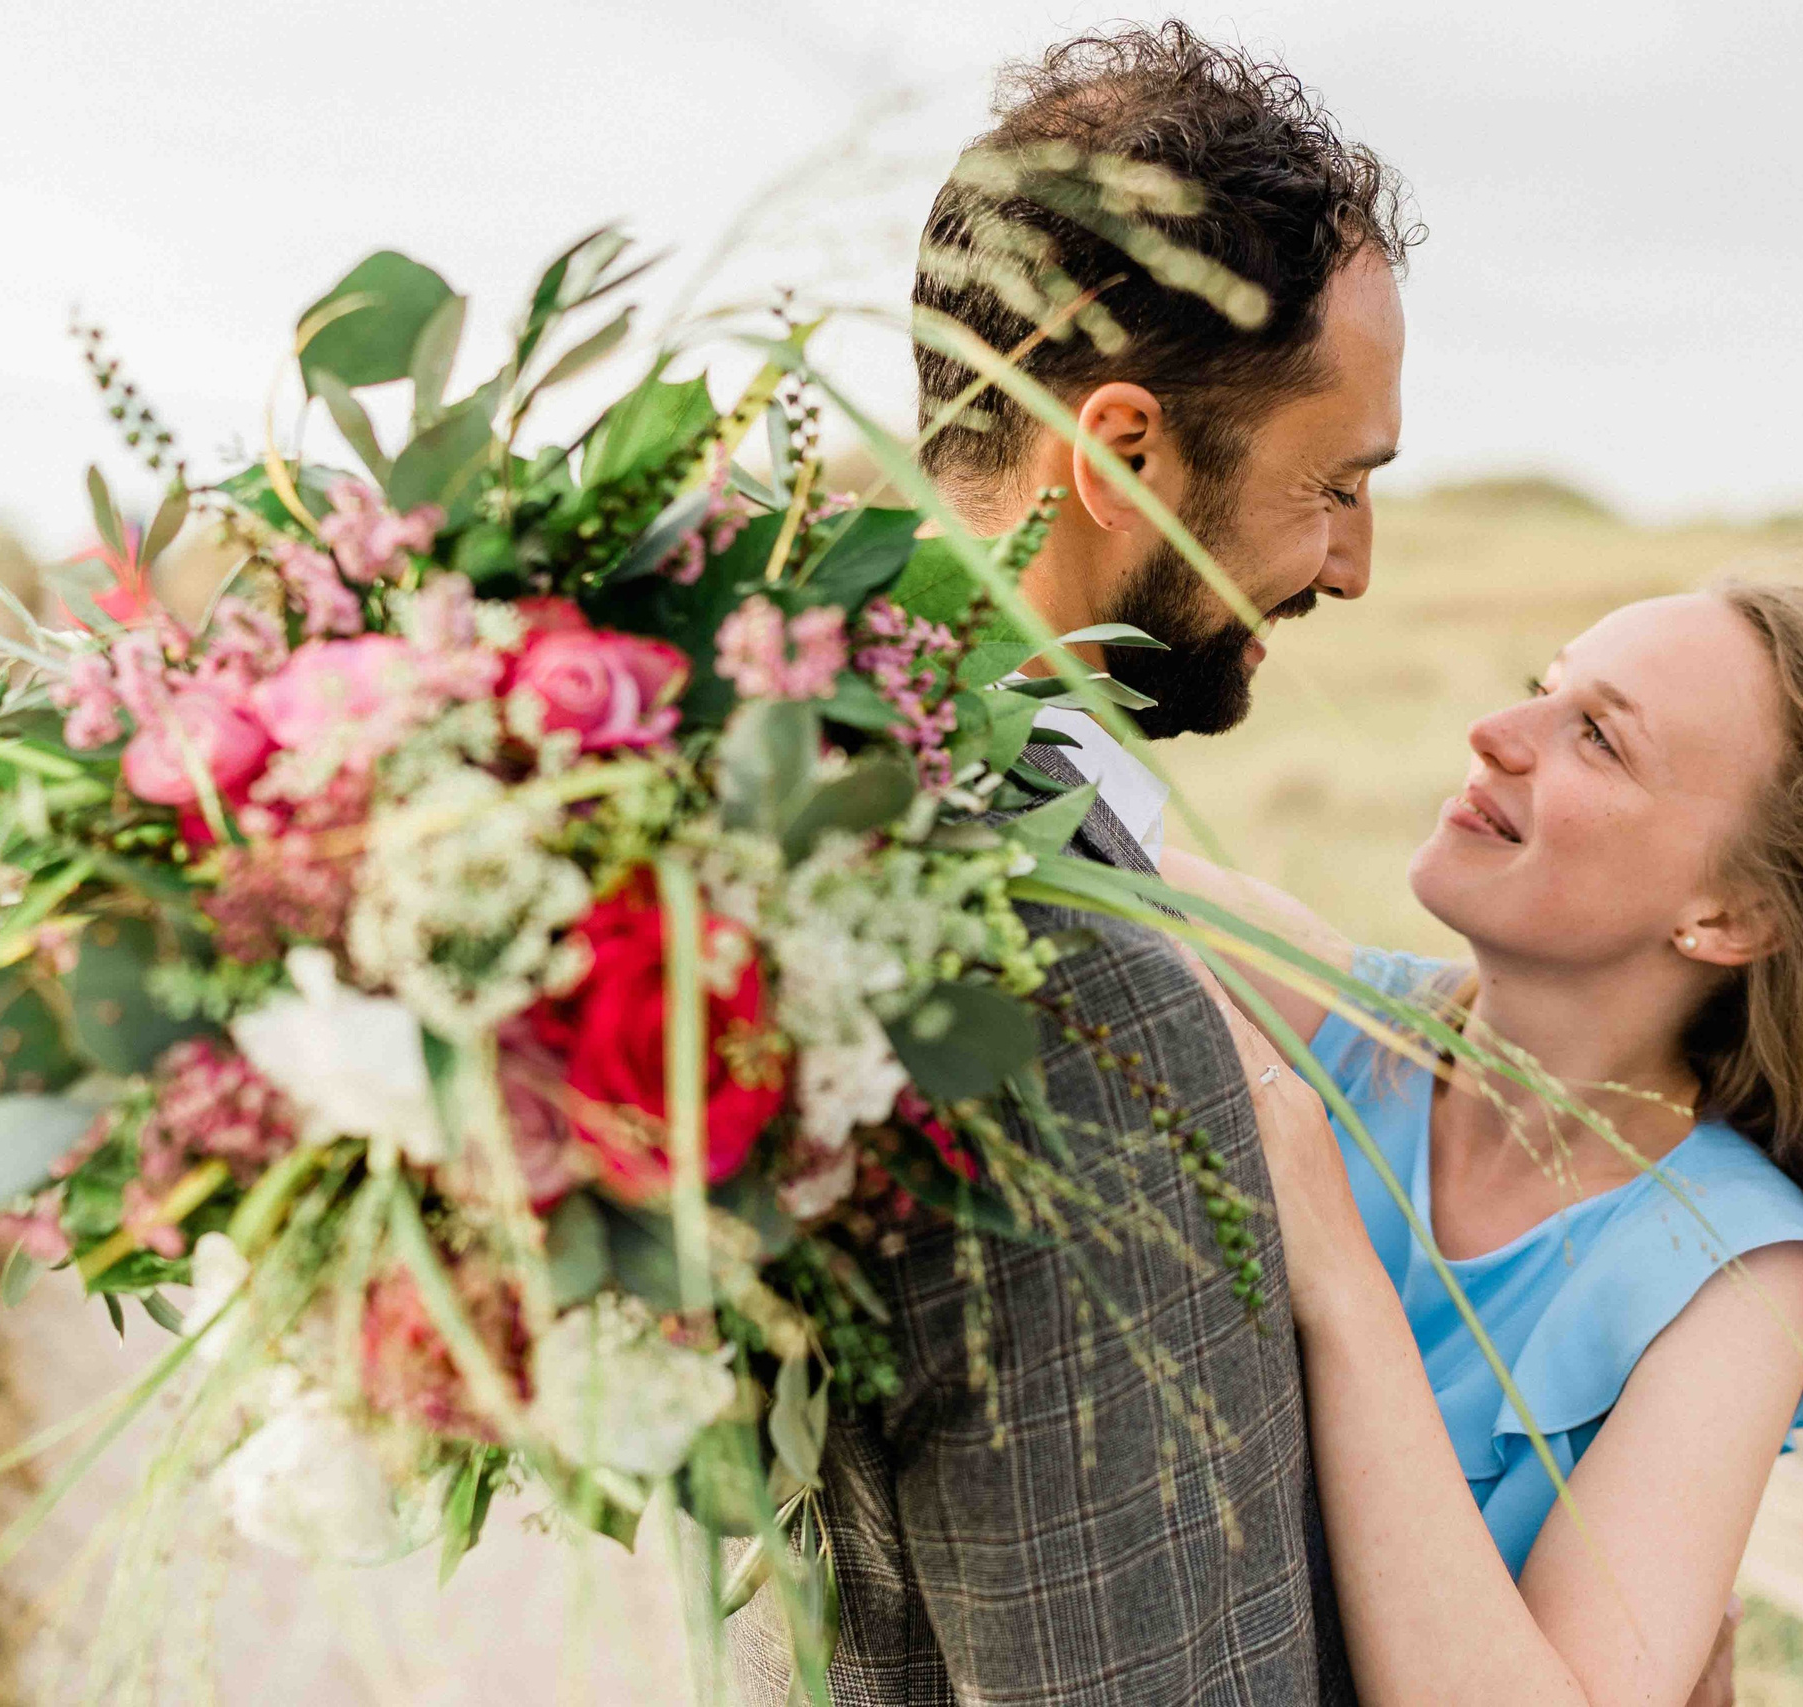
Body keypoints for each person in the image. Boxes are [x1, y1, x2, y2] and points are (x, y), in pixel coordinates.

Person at [738, 24, 1414, 1704]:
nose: (1355, 565)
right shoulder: (1082, 994)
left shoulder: (793, 815)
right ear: (1118, 454)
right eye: (1335, 484)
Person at [1170, 582, 1803, 1706]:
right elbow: (989, 798)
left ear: (1730, 915)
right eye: (1542, 691)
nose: (1493, 736)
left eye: (1597, 736)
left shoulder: (1732, 1273)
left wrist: (1338, 1282)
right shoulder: (1321, 1015)